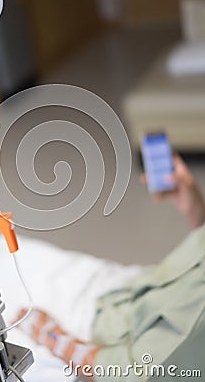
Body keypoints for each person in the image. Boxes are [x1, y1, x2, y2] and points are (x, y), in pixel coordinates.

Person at [16, 155, 205, 381]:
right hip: (129, 290)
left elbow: (125, 373)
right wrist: (195, 207)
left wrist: (50, 335)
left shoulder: (196, 318)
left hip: (95, 333)